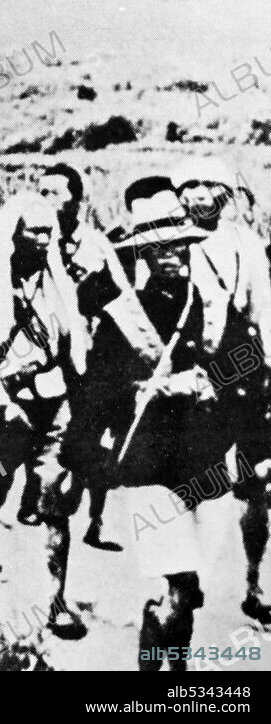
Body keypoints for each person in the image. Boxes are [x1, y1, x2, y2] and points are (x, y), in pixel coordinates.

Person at [88, 179, 271, 667]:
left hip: (207, 464)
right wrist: (155, 390)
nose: (170, 255)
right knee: (181, 582)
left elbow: (250, 366)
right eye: (157, 248)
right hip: (149, 464)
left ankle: (176, 662)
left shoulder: (213, 307)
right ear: (143, 255)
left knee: (189, 594)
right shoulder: (124, 316)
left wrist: (216, 387)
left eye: (178, 245)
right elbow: (97, 392)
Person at [0, 192, 90, 639]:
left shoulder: (58, 283)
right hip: (6, 406)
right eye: (34, 230)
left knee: (56, 498)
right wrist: (0, 404)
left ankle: (56, 601)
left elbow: (74, 342)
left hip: (54, 401)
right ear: (13, 235)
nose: (44, 239)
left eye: (49, 231)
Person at [169, 158, 271, 626]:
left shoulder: (246, 243)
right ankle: (185, 575)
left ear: (226, 194)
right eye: (189, 186)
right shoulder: (170, 244)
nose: (199, 195)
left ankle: (254, 581)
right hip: (197, 375)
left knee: (258, 480)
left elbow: (263, 310)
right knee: (196, 478)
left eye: (209, 186)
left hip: (247, 371)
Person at [36, 162, 127, 550]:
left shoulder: (96, 245)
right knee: (50, 436)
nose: (47, 201)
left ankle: (97, 519)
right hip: (46, 357)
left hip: (91, 357)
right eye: (41, 192)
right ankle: (44, 499)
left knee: (96, 436)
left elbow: (121, 296)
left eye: (55, 193)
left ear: (77, 200)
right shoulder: (33, 241)